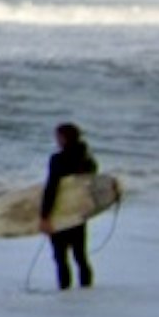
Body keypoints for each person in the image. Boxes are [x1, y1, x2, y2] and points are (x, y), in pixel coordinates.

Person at [41, 122, 100, 291]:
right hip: (79, 214)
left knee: (61, 257)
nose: (56, 140)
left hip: (60, 213)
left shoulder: (58, 159)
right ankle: (86, 290)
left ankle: (65, 291)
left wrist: (45, 216)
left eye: (58, 136)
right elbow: (92, 186)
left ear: (65, 138)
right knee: (80, 255)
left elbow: (51, 189)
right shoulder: (88, 161)